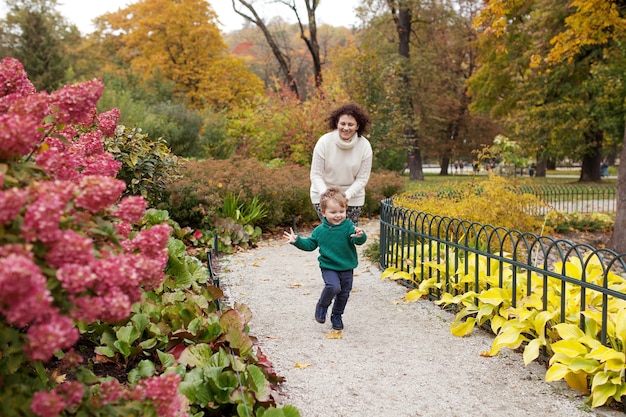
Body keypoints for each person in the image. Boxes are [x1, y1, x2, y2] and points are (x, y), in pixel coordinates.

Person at [283, 187, 367, 331]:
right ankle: (322, 305)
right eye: (333, 212)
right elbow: (310, 245)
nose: (338, 215)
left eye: (341, 212)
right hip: (329, 266)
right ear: (323, 213)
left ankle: (336, 316)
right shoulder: (320, 231)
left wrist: (361, 235)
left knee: (343, 294)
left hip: (347, 267)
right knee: (333, 287)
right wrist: (297, 241)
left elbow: (357, 241)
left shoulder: (349, 227)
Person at [310, 103, 372, 226]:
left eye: (350, 124)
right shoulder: (324, 142)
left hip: (353, 198)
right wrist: (327, 196)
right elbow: (316, 174)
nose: (346, 128)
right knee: (329, 233)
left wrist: (346, 196)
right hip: (323, 195)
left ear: (357, 126)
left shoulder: (364, 146)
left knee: (348, 236)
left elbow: (362, 178)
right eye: (342, 124)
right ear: (336, 123)